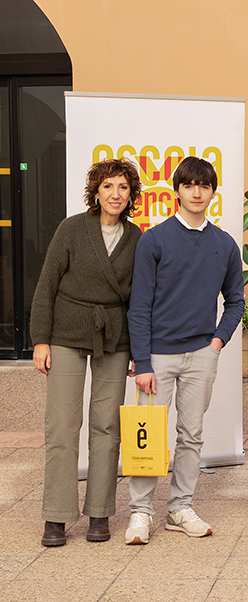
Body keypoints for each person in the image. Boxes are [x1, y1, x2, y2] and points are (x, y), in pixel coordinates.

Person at [124, 156, 244, 545]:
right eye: (189, 185)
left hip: (200, 355)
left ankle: (180, 507)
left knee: (191, 434)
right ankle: (141, 512)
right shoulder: (154, 240)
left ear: (212, 192)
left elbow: (237, 301)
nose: (197, 192)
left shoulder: (224, 244)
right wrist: (142, 360)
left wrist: (218, 340)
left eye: (204, 185)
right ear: (177, 191)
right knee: (149, 435)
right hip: (157, 358)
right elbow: (139, 305)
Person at [31, 158, 143, 546]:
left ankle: (100, 513)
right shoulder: (72, 228)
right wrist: (40, 339)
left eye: (123, 187)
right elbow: (46, 285)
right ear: (96, 191)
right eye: (109, 186)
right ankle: (56, 516)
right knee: (61, 425)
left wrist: (136, 350)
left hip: (115, 335)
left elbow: (139, 299)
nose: (116, 194)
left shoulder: (136, 237)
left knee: (107, 426)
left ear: (132, 195)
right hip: (66, 331)